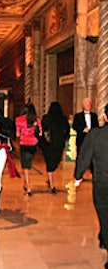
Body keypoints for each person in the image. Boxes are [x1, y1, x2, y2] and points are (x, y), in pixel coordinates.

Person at [74, 104, 108, 268]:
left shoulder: (96, 135)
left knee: (104, 215)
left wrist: (78, 176)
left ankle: (105, 237)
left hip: (102, 182)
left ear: (105, 117)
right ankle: (103, 236)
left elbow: (85, 155)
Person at [41, 102, 70, 193]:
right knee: (55, 162)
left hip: (48, 144)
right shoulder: (63, 119)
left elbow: (42, 130)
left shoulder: (46, 118)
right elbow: (67, 130)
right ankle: (51, 183)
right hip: (59, 144)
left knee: (50, 163)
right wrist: (64, 139)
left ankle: (51, 181)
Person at [15, 102, 42, 196]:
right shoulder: (36, 120)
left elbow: (17, 134)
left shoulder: (19, 120)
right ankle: (25, 183)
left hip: (24, 143)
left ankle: (28, 186)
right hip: (33, 144)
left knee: (25, 166)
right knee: (28, 164)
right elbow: (40, 133)